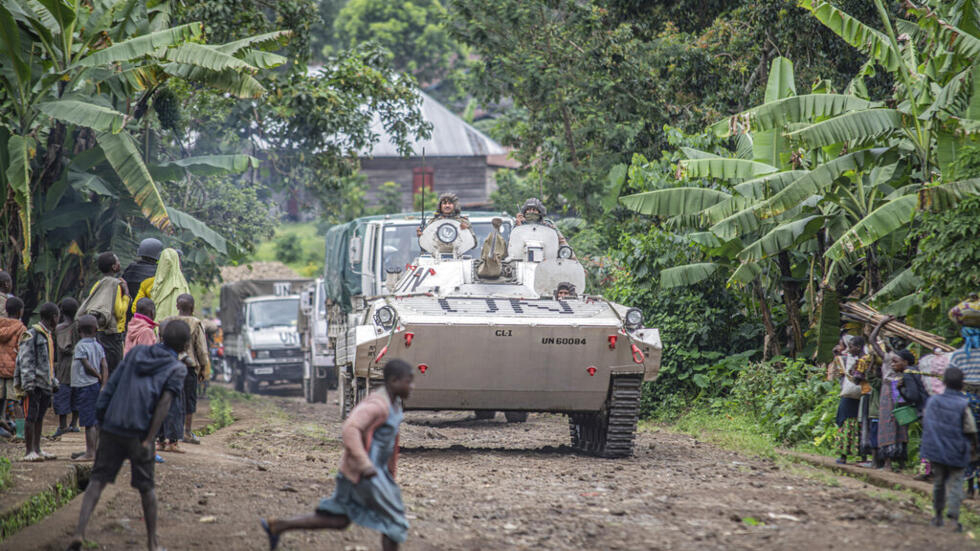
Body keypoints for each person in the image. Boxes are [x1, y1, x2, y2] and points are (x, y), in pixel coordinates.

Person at [260, 358, 415, 551]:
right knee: (394, 521)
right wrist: (364, 463)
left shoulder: (394, 406)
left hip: (372, 475)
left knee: (339, 520)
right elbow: (350, 428)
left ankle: (278, 526)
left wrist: (390, 474)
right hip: (362, 475)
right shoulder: (378, 405)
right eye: (408, 381)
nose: (412, 386)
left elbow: (389, 445)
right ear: (393, 381)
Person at [67, 320, 189, 551]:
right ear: (184, 346)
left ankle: (79, 533)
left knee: (97, 481)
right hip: (140, 430)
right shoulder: (177, 368)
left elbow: (112, 383)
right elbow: (164, 404)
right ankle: (153, 543)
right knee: (147, 488)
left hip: (113, 424)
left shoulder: (137, 353)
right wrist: (148, 438)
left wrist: (101, 417)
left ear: (160, 337)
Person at [920, 366, 978, 532]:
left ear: (943, 382)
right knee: (955, 484)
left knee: (939, 483)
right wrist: (974, 448)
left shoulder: (933, 402)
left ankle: (937, 515)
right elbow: (970, 429)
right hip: (957, 451)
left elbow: (927, 424)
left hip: (935, 450)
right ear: (962, 385)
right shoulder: (963, 404)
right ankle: (953, 519)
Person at [159, 294, 210, 445]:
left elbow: (160, 344)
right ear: (193, 308)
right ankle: (187, 432)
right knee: (189, 400)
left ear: (177, 306)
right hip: (188, 368)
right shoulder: (196, 323)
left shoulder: (167, 322)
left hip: (169, 367)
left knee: (170, 400)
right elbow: (201, 349)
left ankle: (167, 434)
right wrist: (203, 369)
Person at [13, 302, 60, 462]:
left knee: (39, 417)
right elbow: (25, 360)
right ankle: (28, 451)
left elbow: (49, 363)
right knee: (30, 417)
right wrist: (28, 384)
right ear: (53, 317)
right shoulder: (32, 334)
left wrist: (53, 382)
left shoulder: (48, 335)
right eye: (57, 317)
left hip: (45, 383)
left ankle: (37, 448)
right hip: (33, 385)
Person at [80, 252, 130, 376]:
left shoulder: (98, 285)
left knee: (100, 369)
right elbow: (118, 312)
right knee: (114, 372)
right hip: (113, 335)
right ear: (114, 267)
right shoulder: (116, 285)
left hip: (98, 333)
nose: (119, 263)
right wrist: (126, 296)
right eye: (117, 261)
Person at [870, 317, 909, 471]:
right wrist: (881, 324)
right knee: (896, 422)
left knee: (894, 422)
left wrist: (880, 324)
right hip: (894, 389)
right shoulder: (894, 357)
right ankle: (894, 462)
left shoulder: (891, 357)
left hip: (893, 389)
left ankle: (892, 462)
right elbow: (873, 340)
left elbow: (872, 339)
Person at [69, 315, 107, 462]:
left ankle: (90, 453)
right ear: (96, 330)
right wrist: (103, 383)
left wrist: (97, 376)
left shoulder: (80, 346)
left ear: (79, 330)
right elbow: (105, 365)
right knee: (96, 421)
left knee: (88, 421)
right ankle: (96, 450)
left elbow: (86, 365)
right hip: (95, 387)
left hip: (85, 386)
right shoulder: (98, 346)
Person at [132, 248, 189, 322]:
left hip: (155, 328)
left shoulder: (148, 283)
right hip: (179, 328)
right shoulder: (182, 285)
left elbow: (135, 309)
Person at [51, 297, 80, 438]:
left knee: (63, 395)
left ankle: (63, 425)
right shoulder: (79, 326)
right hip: (79, 366)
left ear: (61, 311)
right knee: (76, 394)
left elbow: (63, 348)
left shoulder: (59, 328)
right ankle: (74, 424)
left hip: (64, 367)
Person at [835, 335, 864, 465]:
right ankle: (856, 455)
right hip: (856, 396)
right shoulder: (851, 359)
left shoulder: (861, 360)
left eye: (850, 347)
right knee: (853, 425)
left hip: (853, 396)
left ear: (858, 347)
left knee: (847, 425)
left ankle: (844, 455)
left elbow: (856, 379)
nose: (848, 349)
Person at [0, 297, 26, 438]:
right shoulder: (21, 329)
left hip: (0, 369)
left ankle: (2, 425)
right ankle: (21, 433)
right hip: (13, 372)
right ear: (20, 312)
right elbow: (23, 350)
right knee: (16, 402)